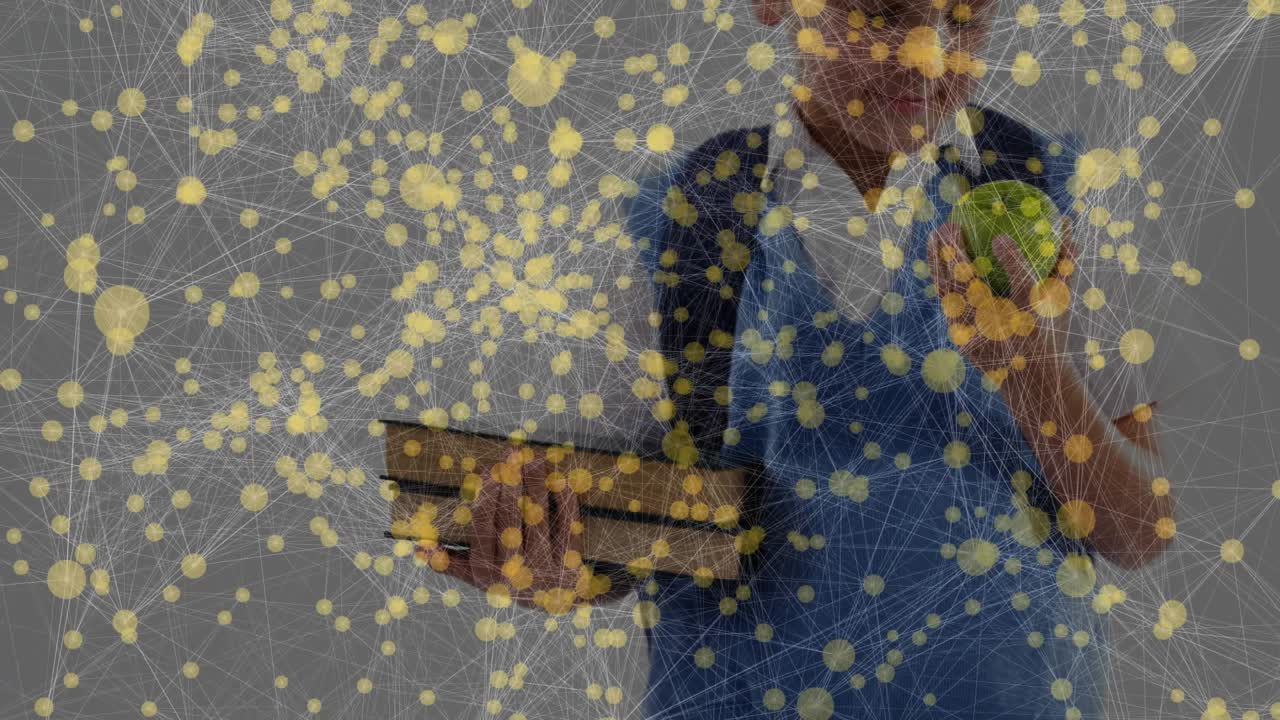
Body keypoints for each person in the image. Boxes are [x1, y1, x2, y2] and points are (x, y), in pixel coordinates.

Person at [421, 0, 1175, 717]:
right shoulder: (686, 219)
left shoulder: (1043, 202)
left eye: (965, 18)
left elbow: (1139, 533)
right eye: (881, 12)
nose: (929, 57)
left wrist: (1030, 371)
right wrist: (550, 559)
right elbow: (626, 533)